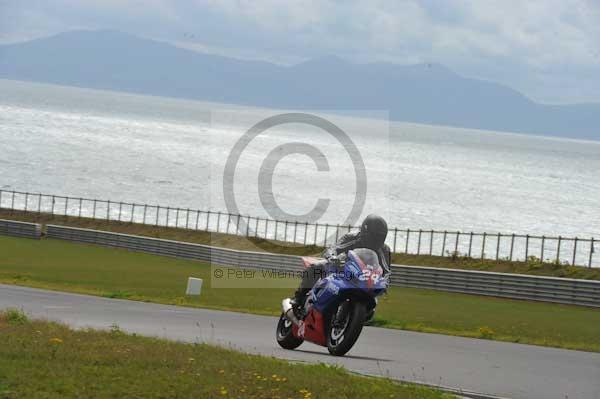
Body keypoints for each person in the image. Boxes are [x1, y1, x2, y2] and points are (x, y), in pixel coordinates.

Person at [292, 214, 391, 309]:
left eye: (380, 237)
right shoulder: (352, 237)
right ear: (365, 232)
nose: (377, 240)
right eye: (375, 236)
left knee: (373, 300)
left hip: (364, 277)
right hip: (341, 267)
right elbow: (333, 248)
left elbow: (386, 270)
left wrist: (385, 283)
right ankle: (298, 297)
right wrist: (332, 257)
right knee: (316, 266)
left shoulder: (384, 249)